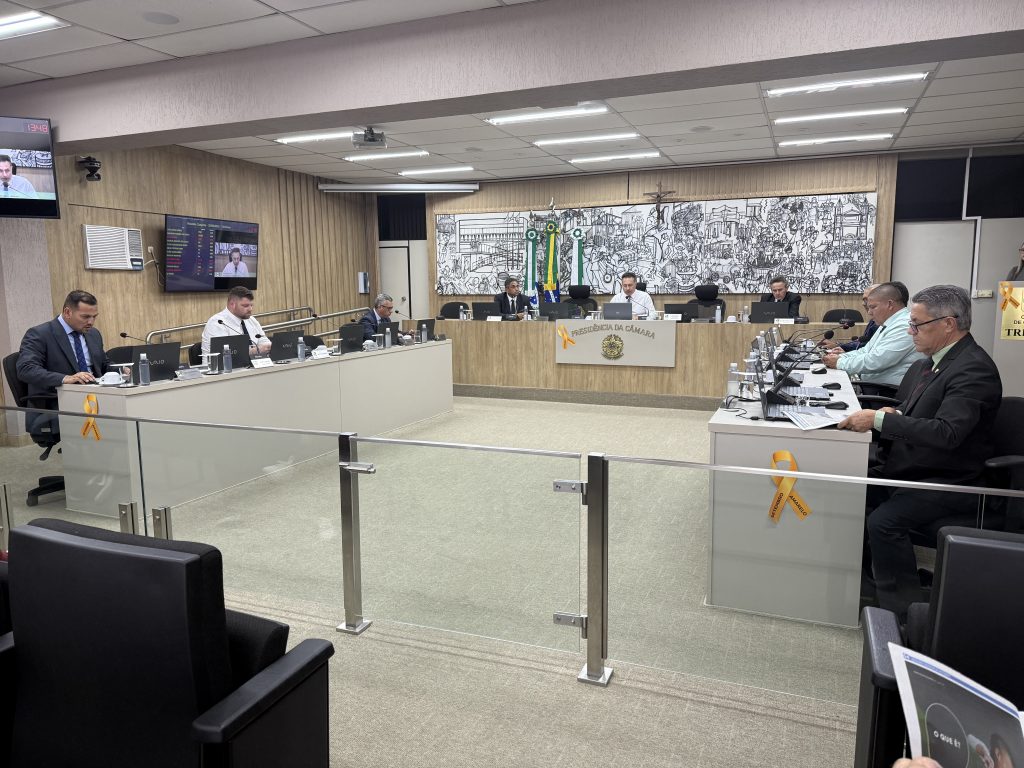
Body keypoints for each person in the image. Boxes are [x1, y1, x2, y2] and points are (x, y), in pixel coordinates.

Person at [838, 285, 1002, 619]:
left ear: (948, 324)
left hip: (951, 478)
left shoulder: (973, 369)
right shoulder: (934, 362)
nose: (910, 331)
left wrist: (881, 420)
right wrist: (895, 415)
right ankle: (869, 579)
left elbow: (948, 432)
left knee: (884, 521)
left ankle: (904, 614)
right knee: (851, 490)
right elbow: (921, 414)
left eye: (916, 324)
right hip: (916, 462)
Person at [17, 290, 109, 433]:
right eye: (85, 317)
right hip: (58, 402)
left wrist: (122, 370)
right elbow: (26, 369)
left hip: (96, 399)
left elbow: (103, 364)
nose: (91, 322)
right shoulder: (40, 334)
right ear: (67, 312)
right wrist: (65, 378)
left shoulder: (93, 334)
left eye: (94, 317)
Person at [823, 282, 925, 387]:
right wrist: (839, 357)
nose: (869, 312)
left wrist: (839, 363)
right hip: (872, 386)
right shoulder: (888, 323)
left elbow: (877, 361)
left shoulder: (904, 325)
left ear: (890, 304)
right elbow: (866, 351)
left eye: (873, 307)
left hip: (885, 391)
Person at [202, 285, 271, 356]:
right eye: (245, 306)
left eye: (251, 305)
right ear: (232, 304)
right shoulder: (217, 323)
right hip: (222, 363)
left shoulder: (251, 320)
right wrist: (255, 351)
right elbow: (223, 354)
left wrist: (268, 346)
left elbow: (264, 341)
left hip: (254, 362)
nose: (250, 309)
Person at [823, 284, 879, 351]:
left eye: (866, 300)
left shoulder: (880, 323)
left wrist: (840, 346)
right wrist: (839, 345)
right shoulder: (873, 320)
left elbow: (865, 347)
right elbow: (862, 343)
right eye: (863, 300)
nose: (863, 304)